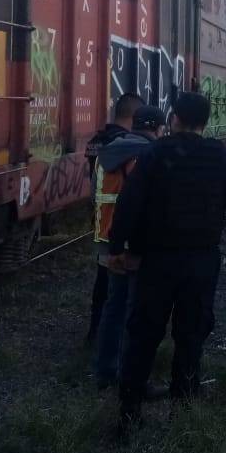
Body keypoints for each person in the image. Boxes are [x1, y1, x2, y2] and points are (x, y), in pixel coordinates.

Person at [109, 92, 226, 434]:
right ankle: (183, 404)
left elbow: (130, 202)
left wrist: (117, 245)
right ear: (204, 122)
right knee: (192, 332)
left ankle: (129, 409)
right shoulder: (219, 156)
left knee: (144, 332)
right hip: (201, 260)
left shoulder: (155, 153)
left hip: (156, 259)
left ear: (173, 118)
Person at [93, 104, 166, 390]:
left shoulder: (107, 152)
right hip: (131, 244)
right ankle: (130, 375)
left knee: (113, 307)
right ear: (158, 129)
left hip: (105, 239)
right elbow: (142, 203)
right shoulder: (145, 155)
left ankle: (105, 371)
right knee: (134, 312)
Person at [85, 92, 144, 344]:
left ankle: (94, 333)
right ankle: (117, 341)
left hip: (102, 227)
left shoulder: (98, 142)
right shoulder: (130, 148)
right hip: (124, 232)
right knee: (122, 291)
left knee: (102, 285)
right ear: (133, 117)